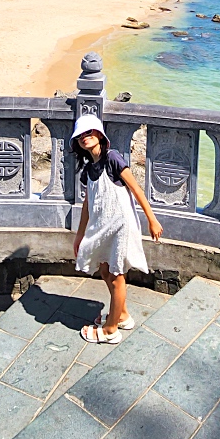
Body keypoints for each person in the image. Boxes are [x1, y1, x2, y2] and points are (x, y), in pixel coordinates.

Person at [71, 114, 163, 344]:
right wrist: (80, 236)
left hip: (121, 224)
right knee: (104, 271)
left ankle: (111, 329)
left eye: (89, 132)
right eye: (81, 135)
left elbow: (136, 189)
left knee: (116, 275)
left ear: (100, 135)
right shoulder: (88, 168)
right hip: (103, 226)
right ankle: (121, 315)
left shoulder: (112, 158)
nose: (85, 137)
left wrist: (152, 219)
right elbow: (87, 204)